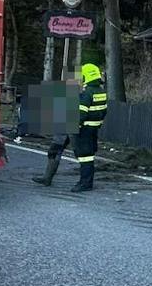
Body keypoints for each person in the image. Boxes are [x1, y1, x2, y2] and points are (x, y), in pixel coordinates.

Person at [37, 62, 108, 192]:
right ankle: (47, 177)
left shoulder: (87, 91)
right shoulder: (93, 89)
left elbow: (82, 111)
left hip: (79, 126)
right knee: (55, 149)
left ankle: (85, 182)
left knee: (83, 155)